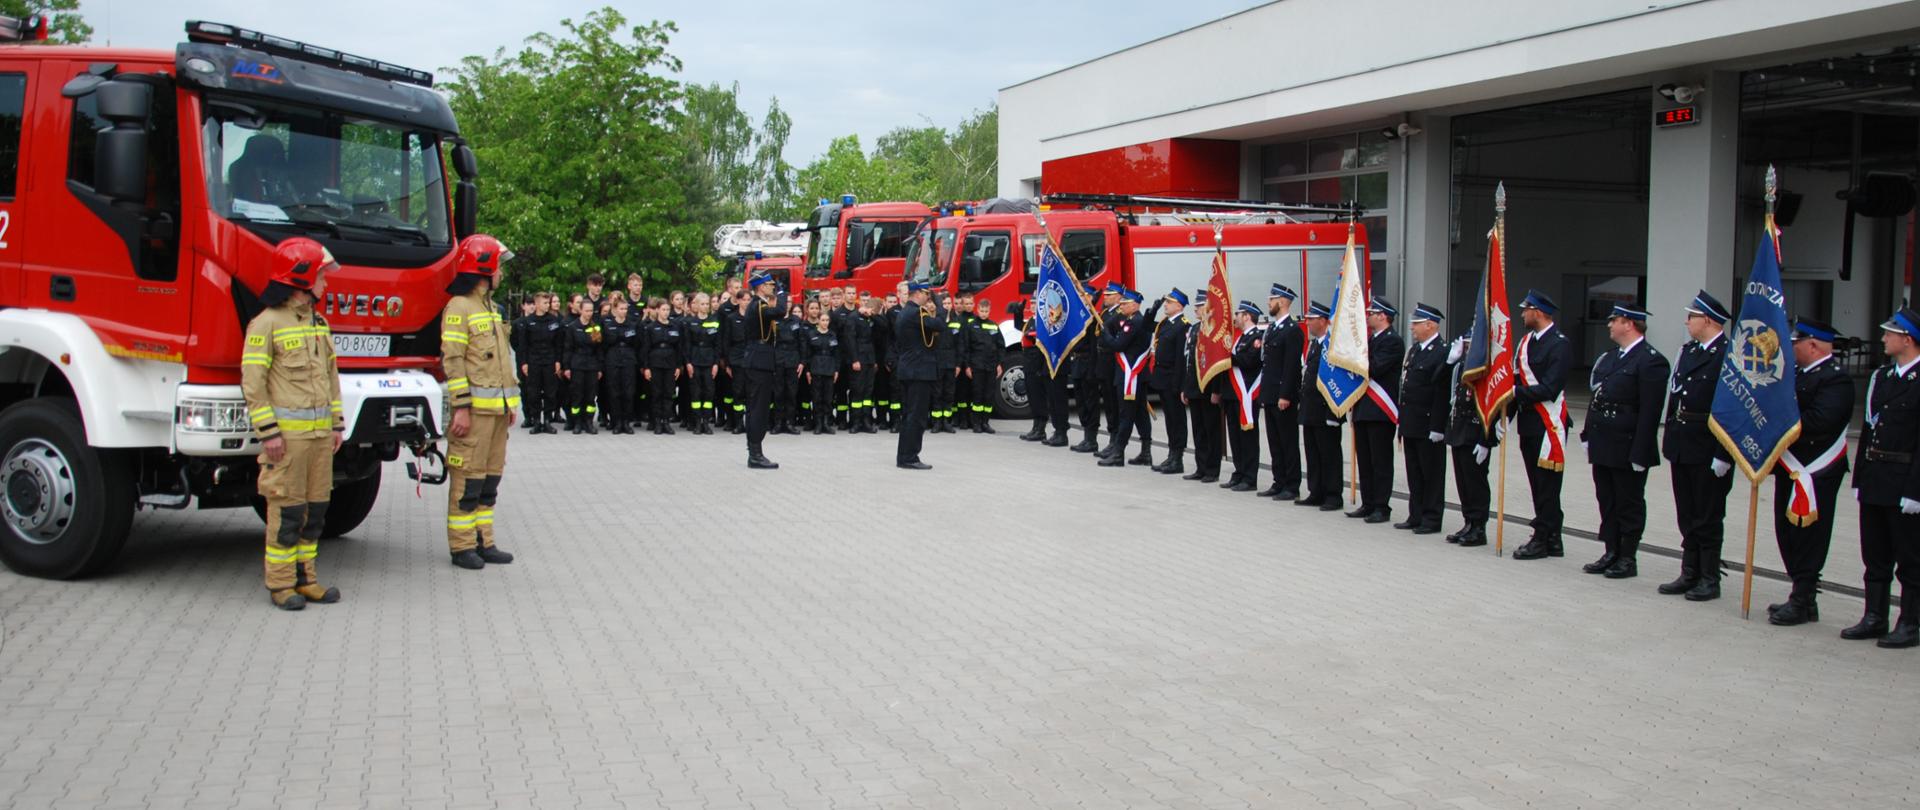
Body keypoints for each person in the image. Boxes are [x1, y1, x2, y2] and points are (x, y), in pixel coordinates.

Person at [242, 238, 345, 609]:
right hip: (286, 443)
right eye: (321, 276)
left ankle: (307, 580)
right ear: (301, 278)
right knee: (286, 514)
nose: (326, 283)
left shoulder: (319, 322)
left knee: (315, 512)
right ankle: (281, 585)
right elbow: (252, 383)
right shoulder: (266, 323)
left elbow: (330, 377)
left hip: (319, 440)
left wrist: (336, 423)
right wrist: (268, 433)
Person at [439, 234, 520, 570]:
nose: (501, 272)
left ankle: (484, 540)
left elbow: (501, 359)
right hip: (473, 414)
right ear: (484, 270)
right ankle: (462, 546)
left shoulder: (492, 308)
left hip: (497, 411)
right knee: (467, 479)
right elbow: (453, 360)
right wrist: (460, 407)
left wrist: (509, 404)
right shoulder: (459, 307)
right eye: (498, 266)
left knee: (490, 479)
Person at [1767, 318, 1854, 625]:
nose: (1791, 348)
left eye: (1796, 342)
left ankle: (1804, 596)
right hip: (1789, 468)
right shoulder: (1796, 375)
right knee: (1786, 531)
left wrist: (1778, 420)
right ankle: (1800, 593)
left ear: (1813, 345)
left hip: (1816, 471)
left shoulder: (1836, 380)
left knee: (1810, 536)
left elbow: (1821, 421)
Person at [1844, 306, 1920, 648]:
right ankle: (1874, 616)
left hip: (1905, 480)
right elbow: (1869, 432)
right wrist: (1860, 479)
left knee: (1910, 558)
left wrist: (1916, 491)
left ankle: (1909, 622)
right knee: (1874, 555)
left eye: (1890, 333)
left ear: (1908, 339)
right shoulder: (1882, 378)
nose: (1884, 338)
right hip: (1876, 477)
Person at [1578, 302, 1668, 580]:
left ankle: (1627, 556)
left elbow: (1650, 413)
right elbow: (1598, 399)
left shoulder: (1651, 360)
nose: (1609, 325)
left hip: (1627, 445)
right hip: (1604, 441)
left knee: (1628, 502)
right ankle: (1611, 550)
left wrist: (1641, 452)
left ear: (1629, 324)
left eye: (1614, 320)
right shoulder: (1610, 357)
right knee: (1606, 498)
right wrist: (1587, 435)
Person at [1659, 291, 1735, 600]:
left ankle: (1709, 576)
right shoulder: (1687, 351)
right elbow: (1675, 397)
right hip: (1683, 440)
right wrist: (1669, 437)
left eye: (1691, 316)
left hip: (1708, 443)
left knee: (1708, 514)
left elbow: (1732, 409)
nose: (1686, 322)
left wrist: (1724, 452)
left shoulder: (1728, 355)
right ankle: (1688, 571)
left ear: (1707, 320)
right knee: (1686, 512)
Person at [1510, 290, 1572, 560]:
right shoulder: (1526, 343)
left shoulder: (1559, 344)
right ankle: (1553, 538)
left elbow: (1550, 388)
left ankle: (1543, 537)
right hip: (1529, 423)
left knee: (1547, 485)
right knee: (1538, 484)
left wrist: (1513, 394)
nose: (1522, 314)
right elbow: (1517, 380)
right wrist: (1505, 416)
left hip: (1549, 424)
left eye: (1526, 310)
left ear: (1538, 312)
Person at [1349, 297, 1404, 524]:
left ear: (1383, 316)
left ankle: (1382, 506)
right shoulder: (1370, 340)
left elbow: (1376, 368)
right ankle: (1368, 502)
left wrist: (1355, 356)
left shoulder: (1393, 342)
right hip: (1364, 408)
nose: (1368, 315)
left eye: (1372, 312)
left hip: (1381, 410)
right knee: (1365, 459)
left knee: (1380, 461)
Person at [1397, 303, 1450, 534]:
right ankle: (1415, 514)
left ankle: (1431, 518)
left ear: (1430, 325)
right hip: (1412, 421)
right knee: (1414, 472)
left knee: (1431, 474)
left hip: (1429, 423)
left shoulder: (1442, 351)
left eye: (1416, 324)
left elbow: (1440, 391)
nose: (1412, 328)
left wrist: (1438, 426)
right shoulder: (1416, 350)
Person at [1442, 332, 1495, 546]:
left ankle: (1479, 527)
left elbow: (1493, 405)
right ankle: (1468, 521)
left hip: (1475, 431)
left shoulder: (1487, 367)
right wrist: (1449, 362)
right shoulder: (1463, 364)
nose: (1466, 347)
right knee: (1463, 480)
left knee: (1476, 481)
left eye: (1469, 343)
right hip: (1459, 429)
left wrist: (1487, 440)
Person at [1296, 301, 1344, 511]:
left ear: (1324, 321)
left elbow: (1338, 380)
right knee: (1313, 452)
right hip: (1310, 408)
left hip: (1326, 409)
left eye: (1312, 319)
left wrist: (1334, 412)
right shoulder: (1315, 344)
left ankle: (1333, 495)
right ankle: (1316, 491)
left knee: (1329, 454)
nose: (1308, 322)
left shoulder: (1333, 346)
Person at [1258, 284, 1304, 499]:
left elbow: (1291, 366)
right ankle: (1279, 481)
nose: (1269, 303)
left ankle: (1292, 485)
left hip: (1283, 395)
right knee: (1275, 442)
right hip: (1270, 394)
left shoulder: (1293, 330)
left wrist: (1285, 394)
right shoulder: (1273, 328)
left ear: (1283, 301)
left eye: (1272, 299)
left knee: (1287, 441)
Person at [1099, 289, 1153, 467]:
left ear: (1135, 305)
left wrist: (1105, 334)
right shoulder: (1136, 320)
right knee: (1139, 414)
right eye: (1121, 304)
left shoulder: (1133, 323)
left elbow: (1117, 344)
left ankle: (1118, 453)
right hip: (1136, 375)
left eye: (1125, 304)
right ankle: (1146, 452)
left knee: (1126, 414)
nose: (1121, 306)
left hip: (1130, 375)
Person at [740, 274, 785, 469]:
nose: (773, 287)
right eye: (770, 285)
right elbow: (781, 311)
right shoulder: (759, 306)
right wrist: (783, 291)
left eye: (775, 285)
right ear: (760, 287)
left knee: (755, 407)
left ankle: (754, 452)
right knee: (759, 408)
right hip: (759, 360)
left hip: (758, 358)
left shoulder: (759, 305)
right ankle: (755, 454)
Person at [895, 282, 942, 470]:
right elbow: (940, 325)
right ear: (918, 294)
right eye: (927, 294)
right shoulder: (916, 314)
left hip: (909, 369)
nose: (928, 297)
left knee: (909, 415)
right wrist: (938, 305)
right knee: (917, 416)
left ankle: (904, 455)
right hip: (919, 372)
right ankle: (910, 457)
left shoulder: (905, 312)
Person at [1220, 301, 1264, 493]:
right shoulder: (1239, 338)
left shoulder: (1256, 337)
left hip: (1246, 394)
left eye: (1238, 313)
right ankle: (1239, 472)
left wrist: (1224, 356)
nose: (1235, 317)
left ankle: (1249, 477)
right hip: (1232, 395)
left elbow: (1249, 361)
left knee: (1248, 438)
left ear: (1247, 316)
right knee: (1235, 438)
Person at [1183, 291, 1224, 483]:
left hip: (1208, 389)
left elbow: (1216, 364)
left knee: (1211, 431)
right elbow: (1189, 361)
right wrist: (1185, 388)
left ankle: (1212, 469)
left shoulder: (1213, 331)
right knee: (1198, 430)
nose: (1196, 310)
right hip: (1194, 387)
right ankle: (1201, 467)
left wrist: (1216, 390)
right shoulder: (1193, 329)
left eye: (1199, 306)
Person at [1149, 289, 1192, 475]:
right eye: (1165, 302)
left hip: (1173, 379)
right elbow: (1146, 326)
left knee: (1177, 420)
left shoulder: (1183, 326)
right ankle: (1171, 454)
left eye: (1169, 302)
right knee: (1169, 419)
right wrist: (1153, 309)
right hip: (1163, 378)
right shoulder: (1167, 324)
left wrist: (1179, 385)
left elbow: (1181, 359)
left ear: (1179, 306)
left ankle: (1178, 458)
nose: (1166, 305)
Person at [515, 292, 562, 434]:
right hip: (533, 362)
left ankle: (547, 420)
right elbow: (522, 345)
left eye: (548, 303)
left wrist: (558, 361)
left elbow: (558, 344)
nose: (548, 305)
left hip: (549, 361)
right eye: (545, 303)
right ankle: (536, 421)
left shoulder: (554, 321)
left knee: (550, 392)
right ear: (536, 304)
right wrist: (524, 363)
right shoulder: (528, 322)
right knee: (533, 393)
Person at [561, 292, 604, 434]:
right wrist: (566, 367)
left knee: (590, 395)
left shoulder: (596, 327)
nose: (589, 313)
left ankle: (589, 422)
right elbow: (568, 348)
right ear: (580, 310)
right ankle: (577, 422)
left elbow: (599, 349)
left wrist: (599, 368)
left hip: (592, 365)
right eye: (586, 310)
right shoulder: (573, 327)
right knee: (577, 395)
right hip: (577, 364)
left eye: (591, 311)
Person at [644, 297, 687, 435]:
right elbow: (645, 349)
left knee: (669, 393)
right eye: (663, 309)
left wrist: (678, 366)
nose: (666, 312)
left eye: (668, 309)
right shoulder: (650, 327)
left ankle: (666, 421)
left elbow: (679, 347)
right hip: (655, 362)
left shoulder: (675, 326)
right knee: (657, 393)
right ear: (657, 310)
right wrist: (646, 367)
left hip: (670, 362)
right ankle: (657, 421)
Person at [602, 298, 644, 434]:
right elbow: (603, 343)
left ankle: (626, 422)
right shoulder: (607, 322)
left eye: (625, 309)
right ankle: (616, 421)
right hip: (613, 358)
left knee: (628, 392)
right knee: (614, 392)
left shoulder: (632, 322)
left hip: (628, 358)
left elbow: (638, 342)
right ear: (614, 309)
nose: (624, 311)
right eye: (621, 309)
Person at [686, 293, 722, 435]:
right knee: (696, 393)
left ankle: (706, 422)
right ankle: (697, 422)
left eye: (707, 304)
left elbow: (717, 345)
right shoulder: (691, 322)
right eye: (703, 304)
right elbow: (687, 344)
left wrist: (715, 363)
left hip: (709, 360)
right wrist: (688, 362)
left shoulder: (714, 321)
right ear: (697, 305)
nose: (705, 307)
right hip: (695, 360)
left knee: (708, 392)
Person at [966, 297, 1003, 434]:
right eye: (982, 310)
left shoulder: (994, 325)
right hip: (977, 366)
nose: (984, 313)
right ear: (978, 310)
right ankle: (976, 423)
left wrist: (999, 363)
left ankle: (985, 423)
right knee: (977, 394)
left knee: (989, 395)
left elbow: (1001, 346)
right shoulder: (971, 325)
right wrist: (968, 366)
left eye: (986, 311)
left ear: (989, 311)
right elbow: (967, 347)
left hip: (991, 366)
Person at [804, 307, 842, 434]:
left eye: (827, 320)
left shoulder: (832, 335)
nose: (825, 322)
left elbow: (837, 354)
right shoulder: (812, 335)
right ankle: (818, 424)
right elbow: (808, 354)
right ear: (818, 321)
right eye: (823, 320)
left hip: (829, 369)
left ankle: (826, 423)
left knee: (828, 398)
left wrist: (836, 370)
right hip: (816, 369)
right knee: (817, 398)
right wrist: (808, 371)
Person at [931, 293, 964, 433]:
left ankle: (947, 421)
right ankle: (937, 422)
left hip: (951, 362)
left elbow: (960, 345)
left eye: (949, 304)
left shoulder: (957, 321)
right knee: (937, 393)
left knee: (949, 393)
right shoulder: (935, 321)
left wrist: (958, 364)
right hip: (938, 362)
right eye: (944, 304)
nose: (947, 307)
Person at [847, 298, 879, 433]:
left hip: (870, 359)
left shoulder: (870, 318)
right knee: (857, 391)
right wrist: (854, 359)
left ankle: (866, 421)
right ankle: (856, 422)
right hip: (859, 358)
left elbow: (880, 331)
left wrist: (872, 315)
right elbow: (850, 339)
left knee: (868, 391)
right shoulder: (853, 317)